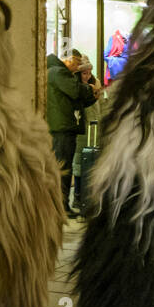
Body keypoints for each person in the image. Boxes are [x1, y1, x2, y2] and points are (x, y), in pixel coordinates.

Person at [46, 52, 96, 217]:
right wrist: (90, 89)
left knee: (65, 167)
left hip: (65, 127)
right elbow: (75, 92)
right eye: (77, 62)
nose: (79, 65)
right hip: (62, 129)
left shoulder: (60, 72)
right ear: (68, 60)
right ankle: (61, 207)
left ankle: (62, 206)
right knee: (64, 168)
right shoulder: (58, 72)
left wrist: (91, 93)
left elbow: (78, 99)